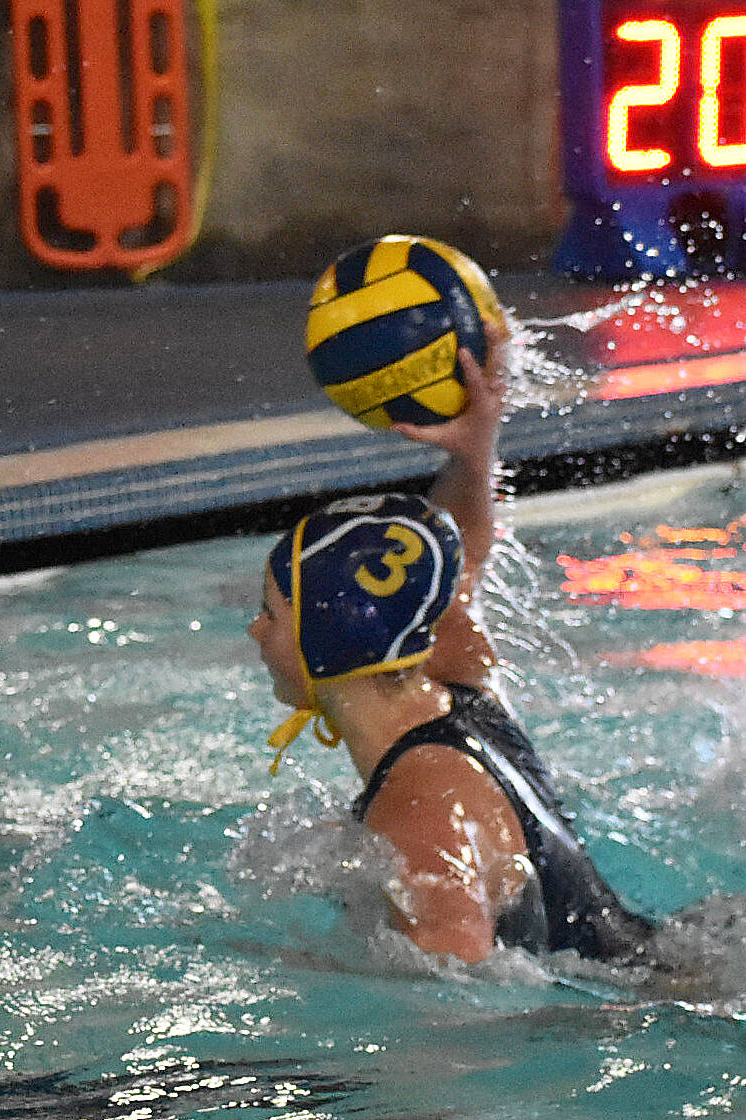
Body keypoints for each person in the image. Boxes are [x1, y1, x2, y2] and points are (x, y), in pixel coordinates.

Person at [247, 342, 657, 965]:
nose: (254, 630)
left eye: (272, 614)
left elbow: (462, 1012)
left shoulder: (423, 815)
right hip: (664, 954)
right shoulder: (455, 675)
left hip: (659, 1011)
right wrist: (473, 452)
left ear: (326, 643)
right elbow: (455, 566)